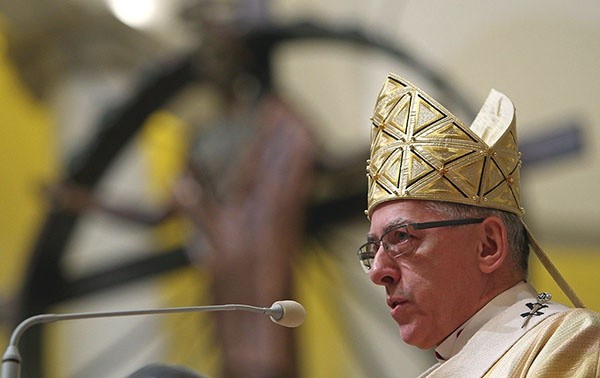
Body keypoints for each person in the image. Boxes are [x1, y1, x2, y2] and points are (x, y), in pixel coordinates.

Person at [359, 73, 600, 377]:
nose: (378, 272)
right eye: (373, 248)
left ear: (489, 245)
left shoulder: (567, 343)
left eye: (401, 237)